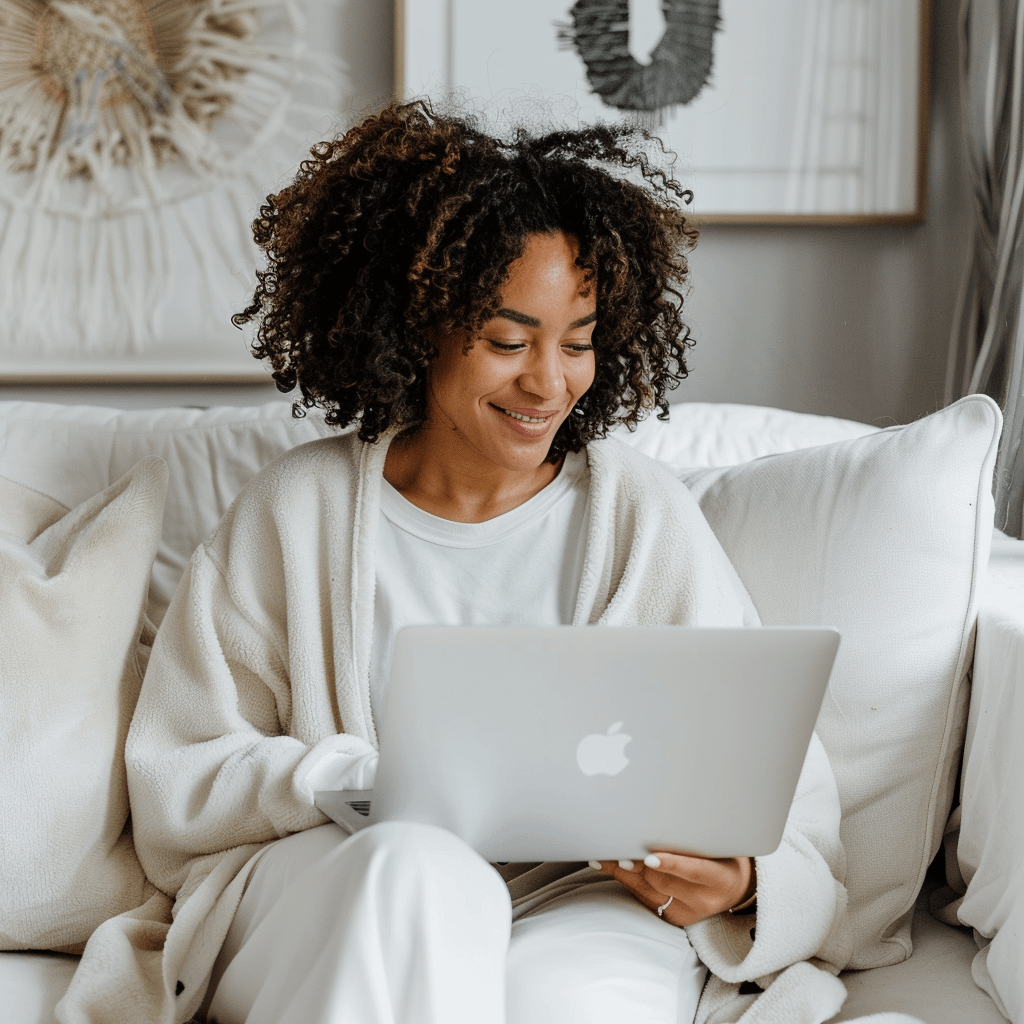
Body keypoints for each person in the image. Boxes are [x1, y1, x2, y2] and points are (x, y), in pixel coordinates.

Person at [58, 100, 850, 1024]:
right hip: (342, 876)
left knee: (576, 1004)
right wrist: (352, 782)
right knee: (422, 872)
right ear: (417, 324)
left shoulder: (641, 516)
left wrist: (742, 880)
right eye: (508, 341)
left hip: (579, 897)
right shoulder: (295, 511)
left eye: (579, 342)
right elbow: (178, 779)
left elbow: (781, 790)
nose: (549, 382)